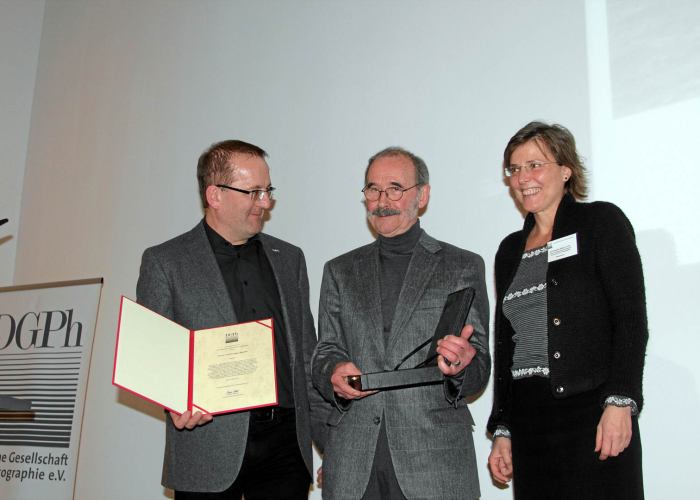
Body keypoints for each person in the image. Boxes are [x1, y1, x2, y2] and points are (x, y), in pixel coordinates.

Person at [136, 140, 328, 499]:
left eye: (268, 190)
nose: (266, 202)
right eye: (253, 191)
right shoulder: (166, 262)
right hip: (208, 445)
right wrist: (174, 398)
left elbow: (306, 356)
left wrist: (330, 442)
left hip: (286, 447)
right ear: (215, 194)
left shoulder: (289, 259)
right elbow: (154, 356)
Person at [312, 147, 490, 499]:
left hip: (435, 460)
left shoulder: (461, 265)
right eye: (372, 190)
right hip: (354, 462)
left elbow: (479, 365)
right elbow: (324, 351)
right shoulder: (339, 271)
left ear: (422, 195)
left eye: (395, 188)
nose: (382, 200)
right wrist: (332, 370)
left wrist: (462, 365)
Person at [487, 122, 647, 499]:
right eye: (514, 168)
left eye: (535, 164)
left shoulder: (601, 223)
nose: (523, 177)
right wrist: (504, 428)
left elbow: (630, 319)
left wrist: (620, 400)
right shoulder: (509, 250)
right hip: (531, 423)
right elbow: (506, 344)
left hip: (592, 414)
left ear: (566, 170)